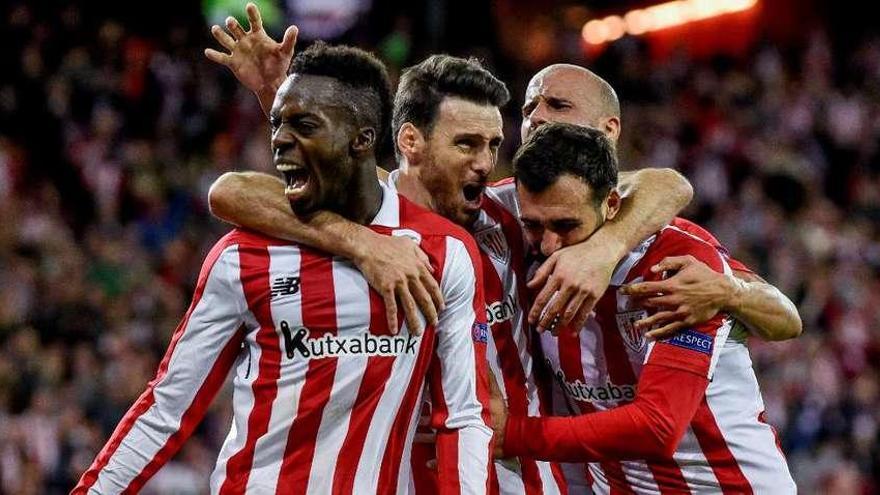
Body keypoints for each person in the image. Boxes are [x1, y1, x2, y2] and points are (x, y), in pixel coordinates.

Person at [204, 5, 693, 494]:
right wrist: (361, 242)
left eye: (493, 144)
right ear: (412, 142)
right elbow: (232, 192)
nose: (486, 162)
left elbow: (666, 184)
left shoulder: (510, 214)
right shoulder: (376, 215)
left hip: (524, 476)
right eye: (467, 145)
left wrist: (603, 248)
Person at [72, 42, 493, 494]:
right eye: (277, 124)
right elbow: (167, 407)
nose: (278, 140)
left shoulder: (444, 252)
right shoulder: (242, 255)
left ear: (363, 139)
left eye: (304, 125)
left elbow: (463, 415)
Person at [495, 122, 796, 494]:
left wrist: (511, 433)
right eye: (534, 226)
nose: (550, 245)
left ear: (611, 204)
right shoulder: (522, 251)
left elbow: (657, 426)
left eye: (566, 225)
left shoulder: (674, 265)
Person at [519, 64, 802, 342]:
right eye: (528, 109)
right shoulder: (500, 201)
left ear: (608, 130)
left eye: (558, 105)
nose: (537, 117)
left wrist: (729, 292)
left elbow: (787, 319)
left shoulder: (653, 228)